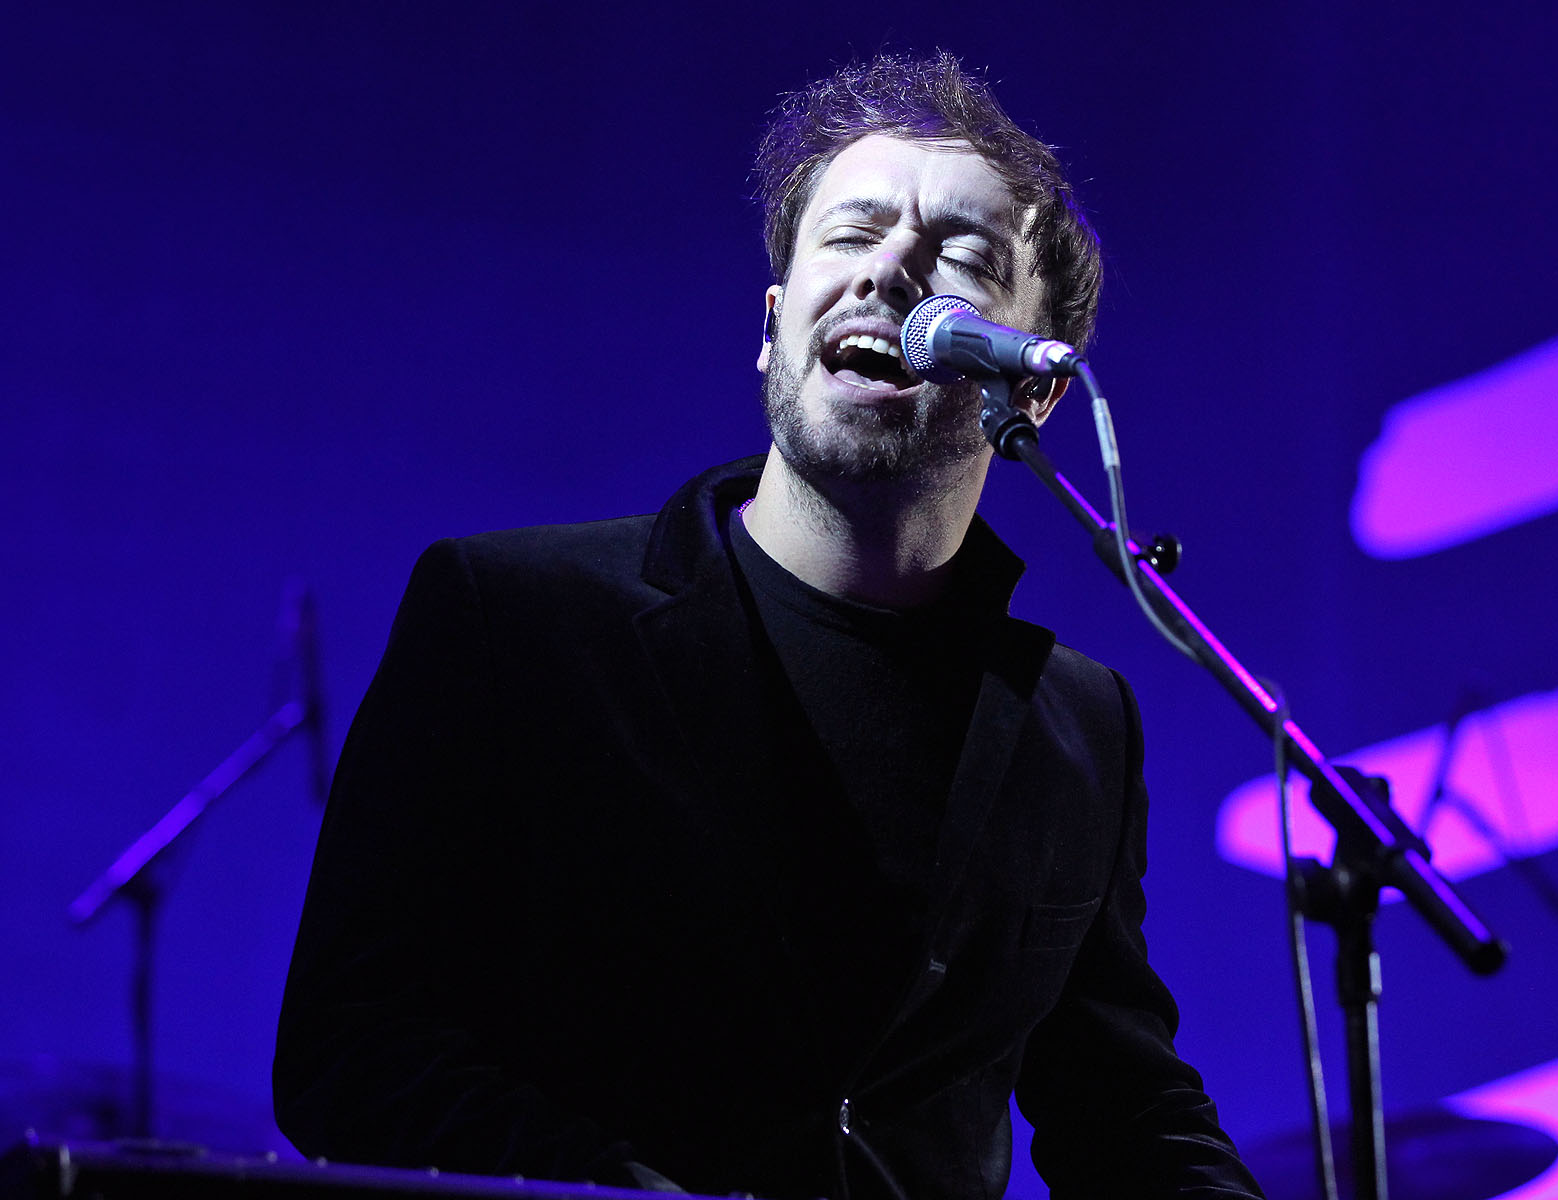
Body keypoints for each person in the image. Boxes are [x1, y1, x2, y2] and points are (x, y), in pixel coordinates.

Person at [274, 53, 1265, 1200]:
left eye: (960, 256)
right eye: (851, 234)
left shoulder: (1079, 725)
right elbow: (353, 1046)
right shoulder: (513, 619)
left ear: (1034, 389)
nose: (890, 269)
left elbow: (1125, 1109)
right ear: (775, 323)